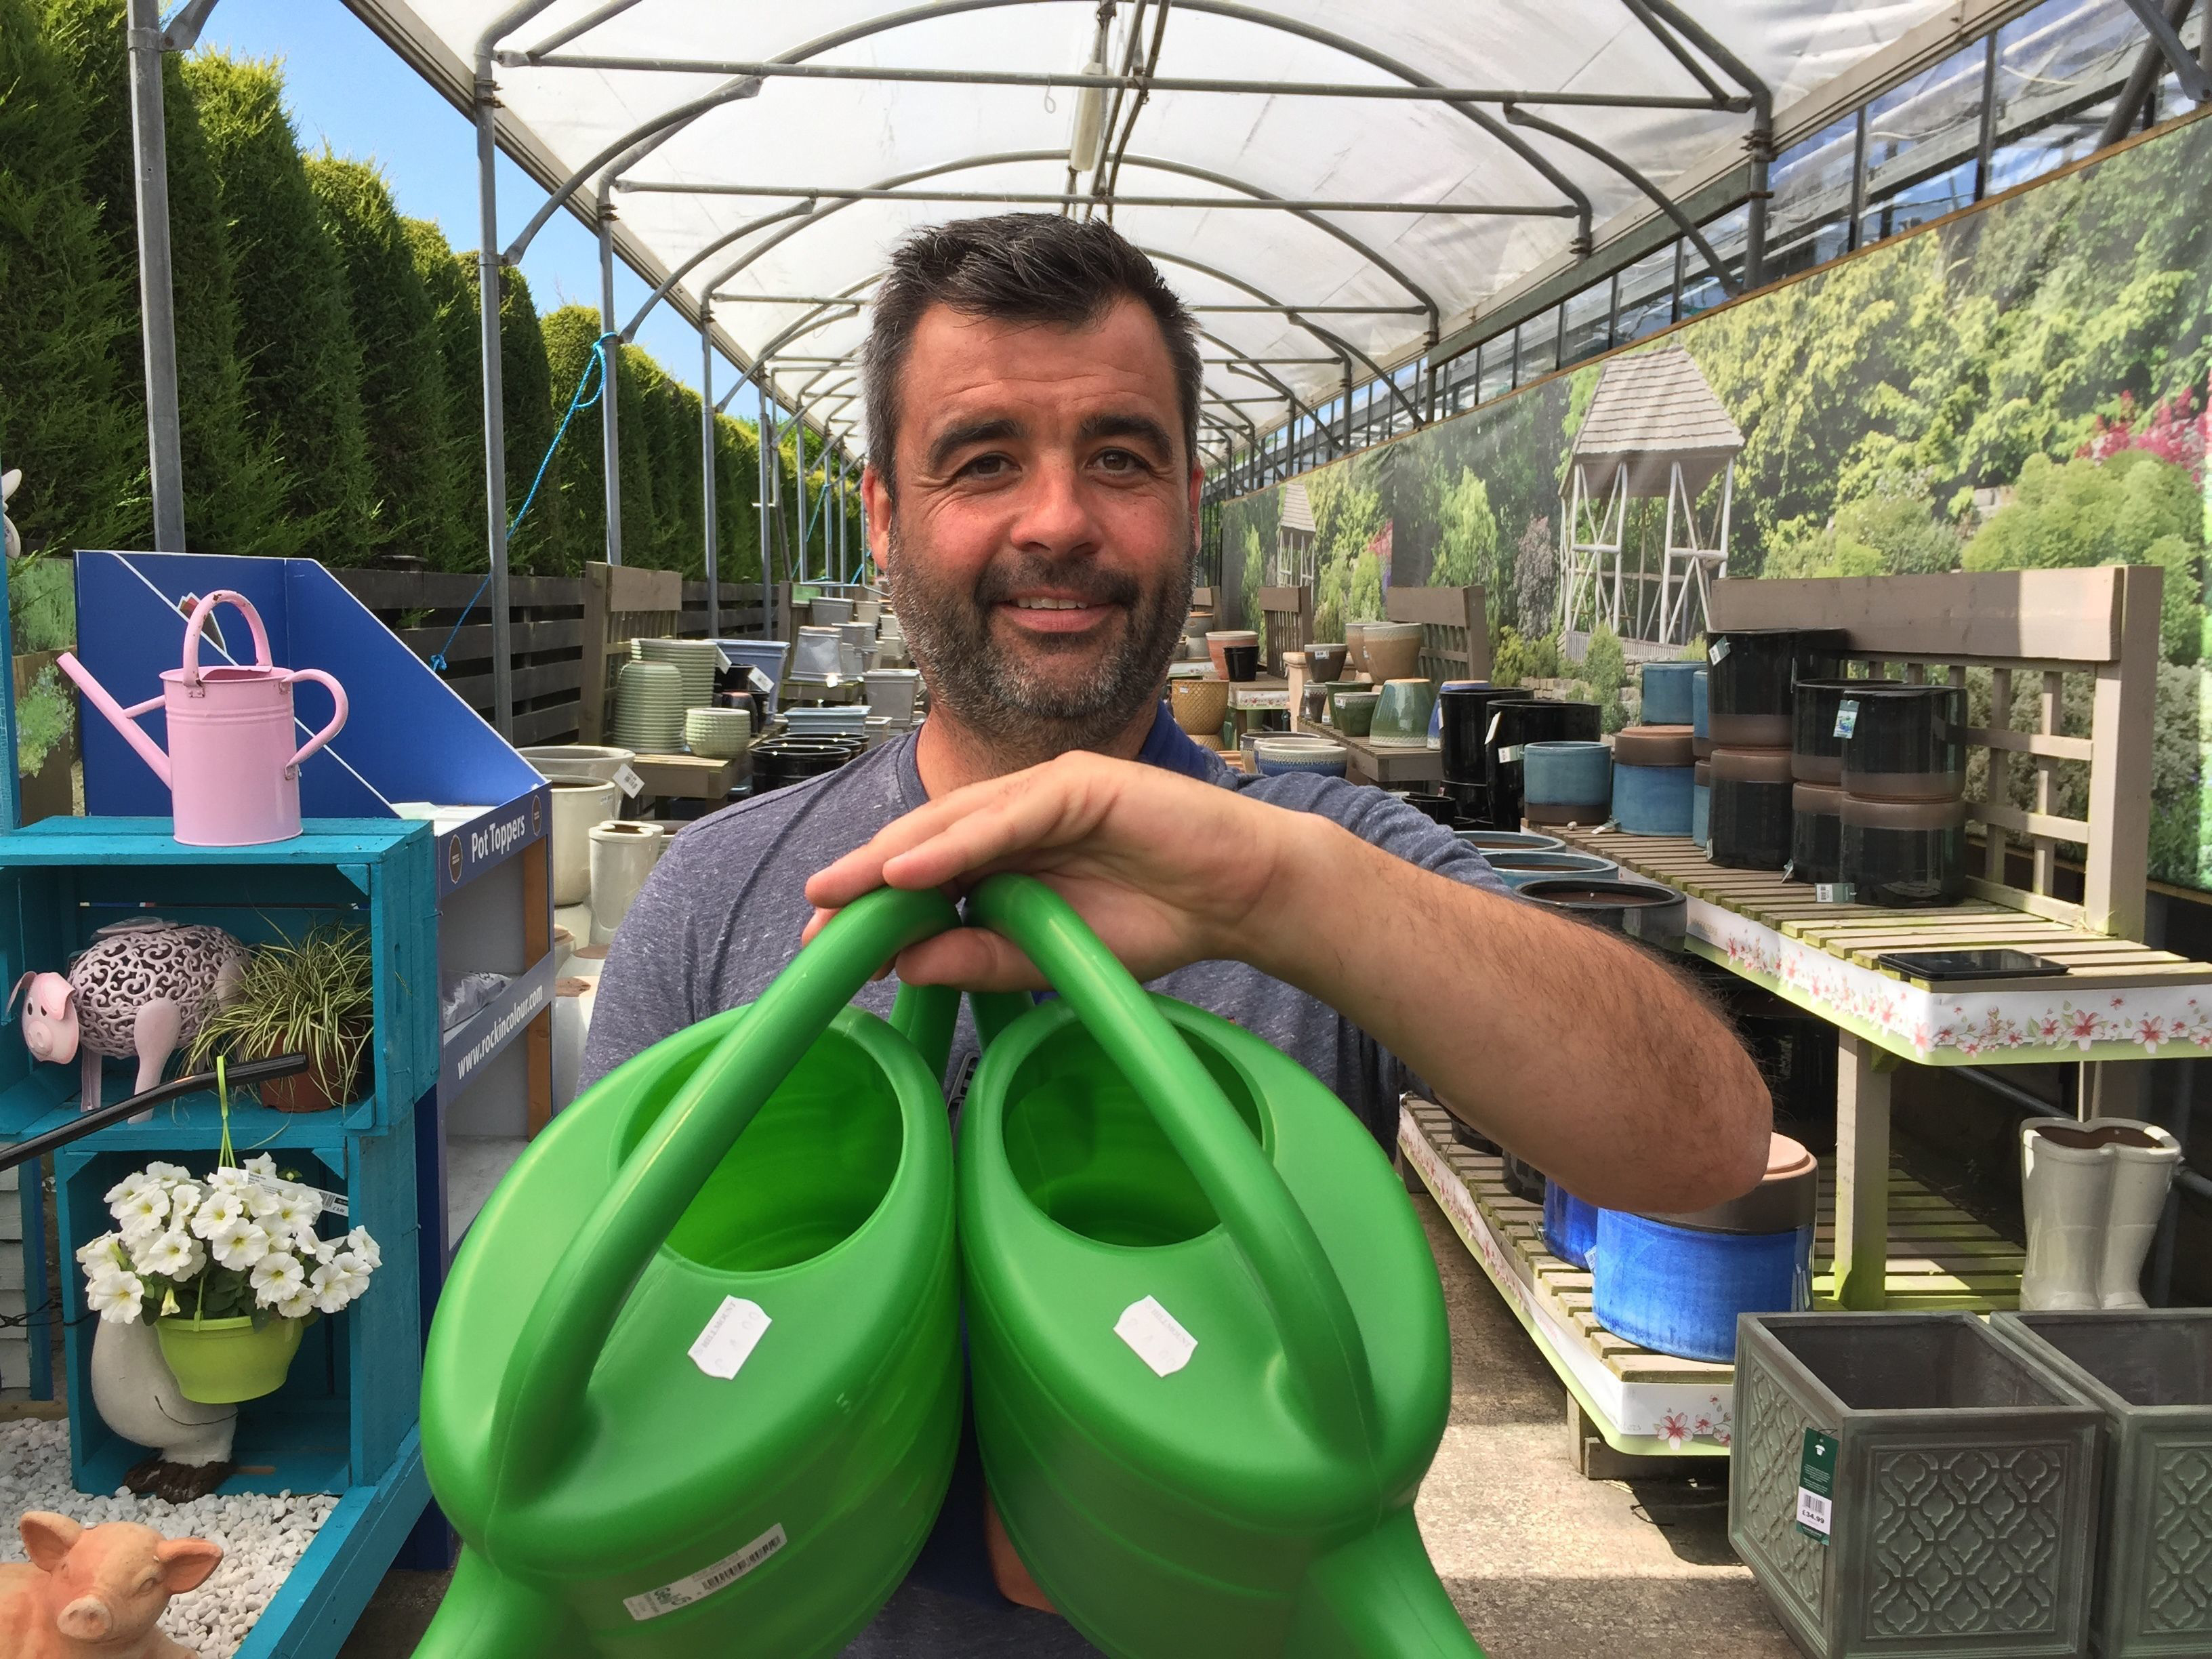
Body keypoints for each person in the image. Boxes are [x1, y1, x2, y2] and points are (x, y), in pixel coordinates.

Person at [580, 212, 1769, 1656]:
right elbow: (611, 1394)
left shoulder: (1325, 869)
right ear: (883, 514)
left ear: (1191, 501)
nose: (1062, 520)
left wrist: (1279, 898)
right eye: (984, 459)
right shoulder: (719, 894)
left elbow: (1700, 1140)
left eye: (1121, 458)